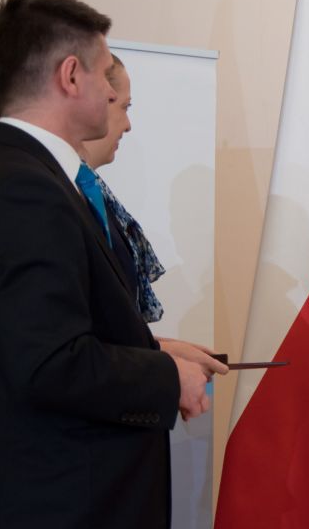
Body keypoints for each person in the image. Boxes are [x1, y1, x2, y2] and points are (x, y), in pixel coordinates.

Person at [0, 0, 210, 529]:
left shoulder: (34, 176)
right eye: (104, 72)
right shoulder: (27, 186)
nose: (114, 94)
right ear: (71, 75)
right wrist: (165, 376)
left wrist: (152, 349)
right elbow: (48, 363)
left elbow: (40, 330)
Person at [79, 54, 228, 375]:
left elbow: (108, 328)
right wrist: (164, 367)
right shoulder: (62, 192)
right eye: (125, 107)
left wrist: (164, 349)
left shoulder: (95, 192)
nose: (128, 124)